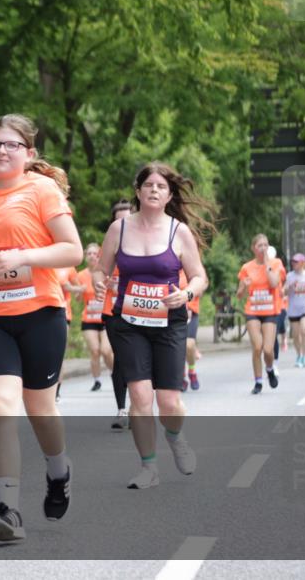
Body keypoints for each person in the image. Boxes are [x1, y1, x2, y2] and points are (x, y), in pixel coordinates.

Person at [0, 113, 83, 541]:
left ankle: (58, 470)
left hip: (41, 314)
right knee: (0, 409)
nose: (2, 151)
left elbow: (72, 251)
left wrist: (23, 257)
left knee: (40, 410)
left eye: (11, 145)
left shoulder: (41, 190)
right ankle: (8, 510)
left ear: (28, 154)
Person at [96, 162, 211, 489]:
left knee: (170, 402)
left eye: (161, 186)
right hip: (128, 322)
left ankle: (175, 436)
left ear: (169, 194)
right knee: (140, 396)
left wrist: (186, 293)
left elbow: (201, 277)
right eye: (149, 185)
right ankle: (149, 467)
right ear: (138, 191)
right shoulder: (119, 229)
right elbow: (100, 269)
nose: (154, 190)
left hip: (169, 322)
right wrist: (100, 283)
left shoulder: (179, 231)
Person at [236, 235, 286, 394]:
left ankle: (270, 369)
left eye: (265, 245)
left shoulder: (276, 264)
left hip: (270, 311)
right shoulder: (246, 268)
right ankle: (258, 381)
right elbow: (239, 295)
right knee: (257, 347)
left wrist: (267, 264)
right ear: (253, 248)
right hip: (253, 311)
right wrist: (244, 287)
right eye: (259, 245)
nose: (263, 248)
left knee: (268, 350)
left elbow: (273, 284)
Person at [103, 200, 133, 429]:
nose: (122, 224)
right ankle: (122, 409)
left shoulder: (146, 243)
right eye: (118, 220)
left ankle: (139, 406)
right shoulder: (109, 244)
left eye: (127, 219)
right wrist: (102, 282)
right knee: (121, 358)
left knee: (138, 359)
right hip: (112, 310)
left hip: (139, 310)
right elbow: (96, 275)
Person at [74, 244, 111, 392]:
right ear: (85, 256)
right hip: (89, 318)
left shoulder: (105, 273)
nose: (92, 256)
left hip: (105, 317)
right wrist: (78, 291)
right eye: (89, 253)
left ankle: (116, 373)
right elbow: (77, 299)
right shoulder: (81, 275)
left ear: (100, 256)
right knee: (95, 350)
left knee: (106, 351)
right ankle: (97, 380)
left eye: (95, 254)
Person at [284, 253, 305, 368]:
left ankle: (304, 356)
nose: (294, 263)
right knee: (296, 335)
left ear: (302, 263)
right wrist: (290, 287)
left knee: (304, 330)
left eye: (296, 262)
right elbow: (284, 292)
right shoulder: (289, 276)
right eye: (293, 261)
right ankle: (299, 355)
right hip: (293, 308)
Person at [55, 264, 80, 401]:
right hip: (42, 313)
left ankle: (56, 391)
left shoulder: (68, 267)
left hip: (63, 313)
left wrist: (74, 291)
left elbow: (78, 289)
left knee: (59, 353)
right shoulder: (42, 260)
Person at [181, 270, 202, 391]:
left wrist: (187, 305)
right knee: (178, 346)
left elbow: (202, 285)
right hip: (174, 311)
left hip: (192, 312)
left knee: (189, 344)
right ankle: (181, 377)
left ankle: (192, 371)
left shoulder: (193, 266)